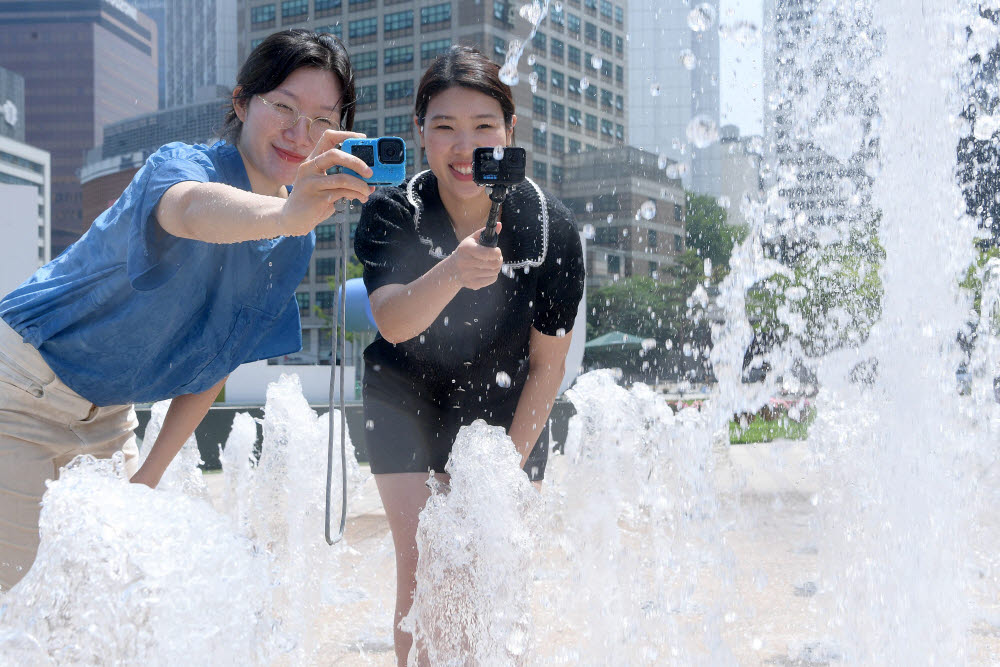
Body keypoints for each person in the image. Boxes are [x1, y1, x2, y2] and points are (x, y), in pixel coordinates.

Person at [0, 29, 375, 591]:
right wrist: (283, 216)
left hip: (106, 420)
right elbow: (189, 211)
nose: (302, 134)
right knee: (18, 596)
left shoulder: (294, 235)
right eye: (285, 108)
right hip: (21, 391)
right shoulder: (183, 165)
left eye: (324, 119)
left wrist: (147, 476)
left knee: (116, 602)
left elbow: (219, 356)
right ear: (242, 102)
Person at [353, 46, 585, 665]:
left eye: (484, 127)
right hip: (404, 396)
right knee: (428, 566)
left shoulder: (549, 229)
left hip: (506, 404)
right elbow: (394, 322)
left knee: (489, 575)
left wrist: (501, 477)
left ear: (510, 134)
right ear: (421, 134)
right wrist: (453, 271)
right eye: (445, 127)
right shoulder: (392, 212)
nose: (464, 147)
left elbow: (548, 366)